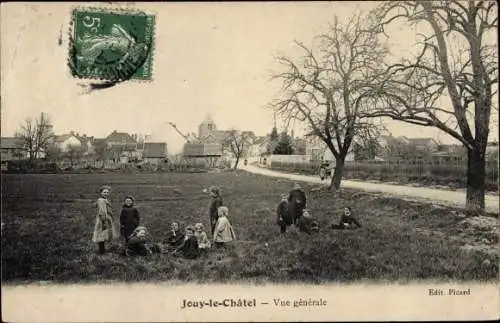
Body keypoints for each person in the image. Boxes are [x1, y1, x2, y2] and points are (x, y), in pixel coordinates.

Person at [92, 185, 119, 254]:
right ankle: (101, 251)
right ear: (101, 193)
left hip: (106, 218)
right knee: (102, 234)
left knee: (104, 235)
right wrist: (104, 222)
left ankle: (102, 250)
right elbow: (102, 212)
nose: (106, 194)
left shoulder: (105, 200)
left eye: (107, 192)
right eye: (104, 192)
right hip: (103, 219)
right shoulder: (101, 201)